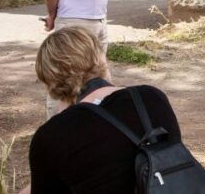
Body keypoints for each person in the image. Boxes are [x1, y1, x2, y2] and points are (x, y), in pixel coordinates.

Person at [18, 27, 180, 194]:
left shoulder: (52, 135)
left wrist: (62, 115)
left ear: (50, 80)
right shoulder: (151, 97)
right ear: (99, 58)